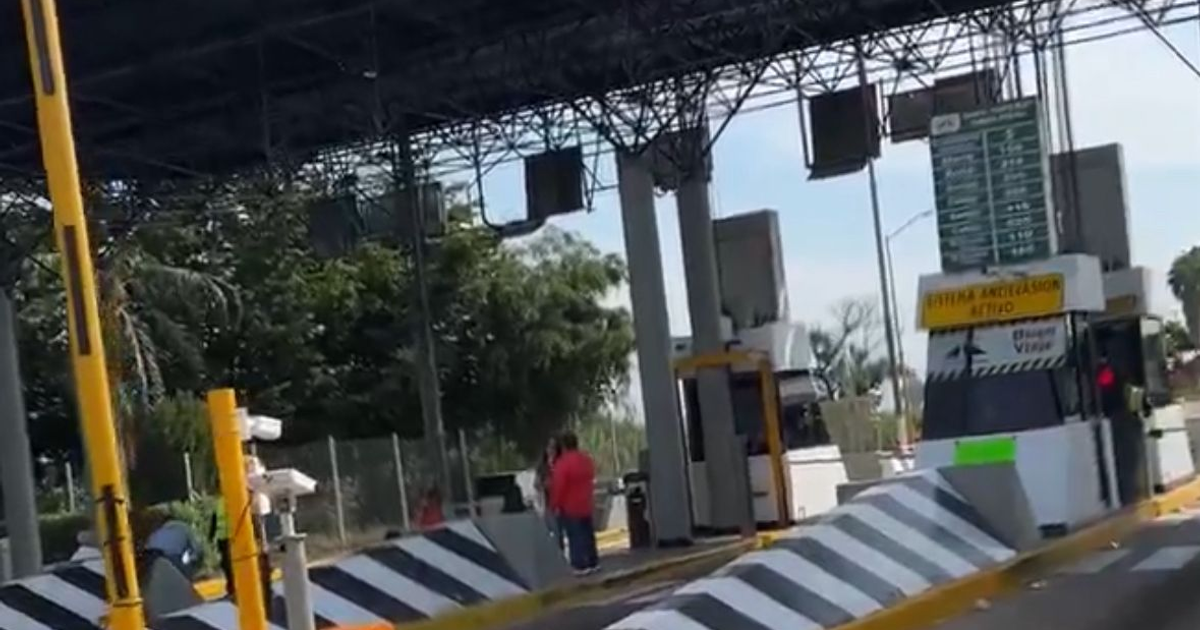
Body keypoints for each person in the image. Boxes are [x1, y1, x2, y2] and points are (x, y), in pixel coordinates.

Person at [549, 431, 598, 575]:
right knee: (588, 534)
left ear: (563, 445)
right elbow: (591, 477)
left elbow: (558, 486)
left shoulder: (563, 464)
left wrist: (554, 505)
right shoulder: (586, 460)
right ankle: (592, 561)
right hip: (586, 503)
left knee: (574, 536)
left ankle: (579, 565)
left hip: (570, 506)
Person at [534, 437, 563, 548]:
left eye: (554, 447)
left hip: (562, 504)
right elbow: (536, 484)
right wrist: (544, 484)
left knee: (559, 533)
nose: (551, 450)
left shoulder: (561, 463)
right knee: (554, 532)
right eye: (549, 447)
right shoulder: (542, 466)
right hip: (549, 504)